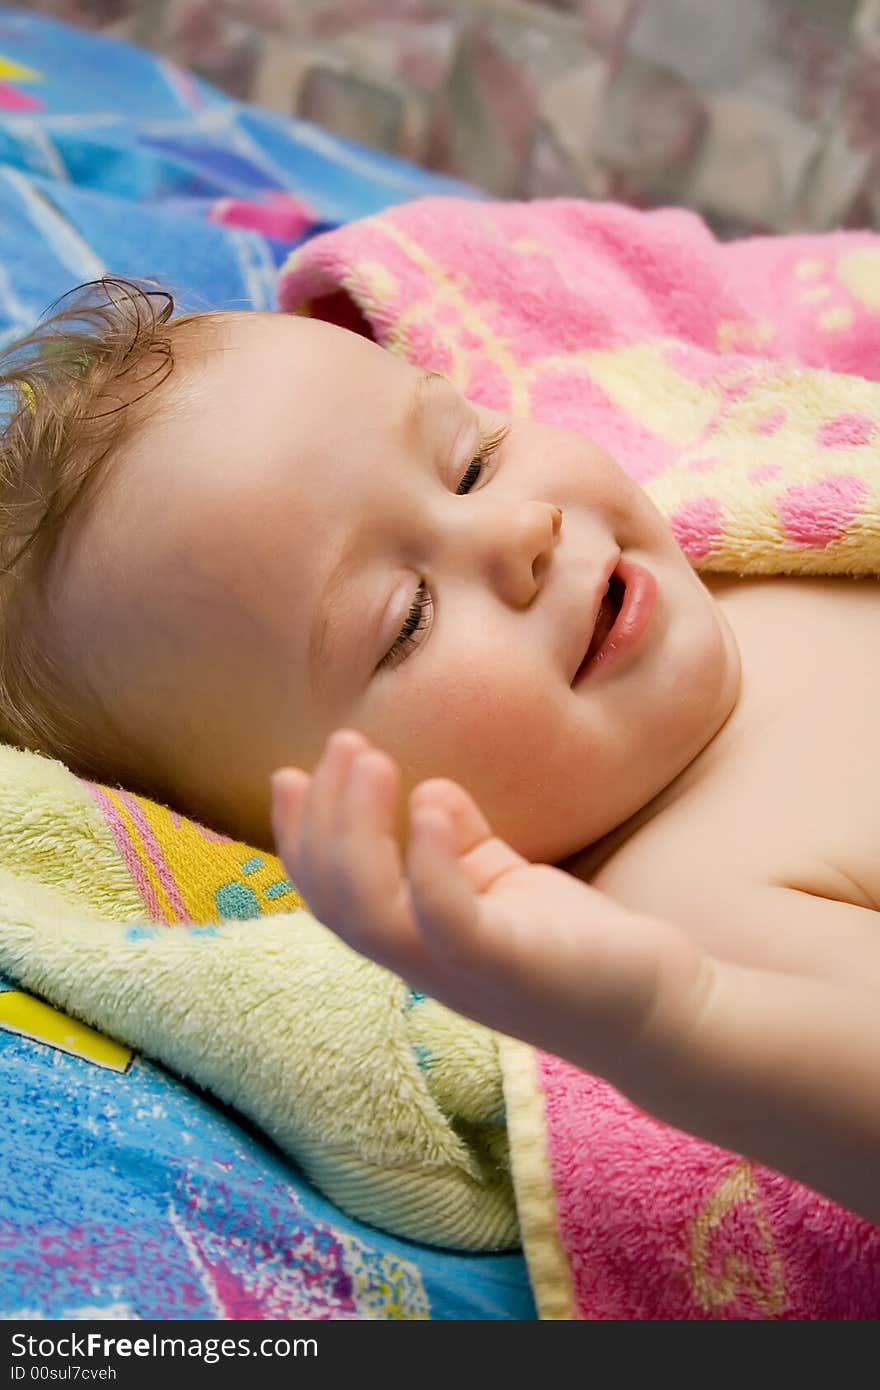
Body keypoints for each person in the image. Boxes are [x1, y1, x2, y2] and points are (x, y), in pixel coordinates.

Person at [2, 278, 878, 1227]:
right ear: (352, 833)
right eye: (407, 619)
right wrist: (675, 1018)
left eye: (472, 462)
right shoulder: (691, 897)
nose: (521, 531)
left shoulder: (752, 523)